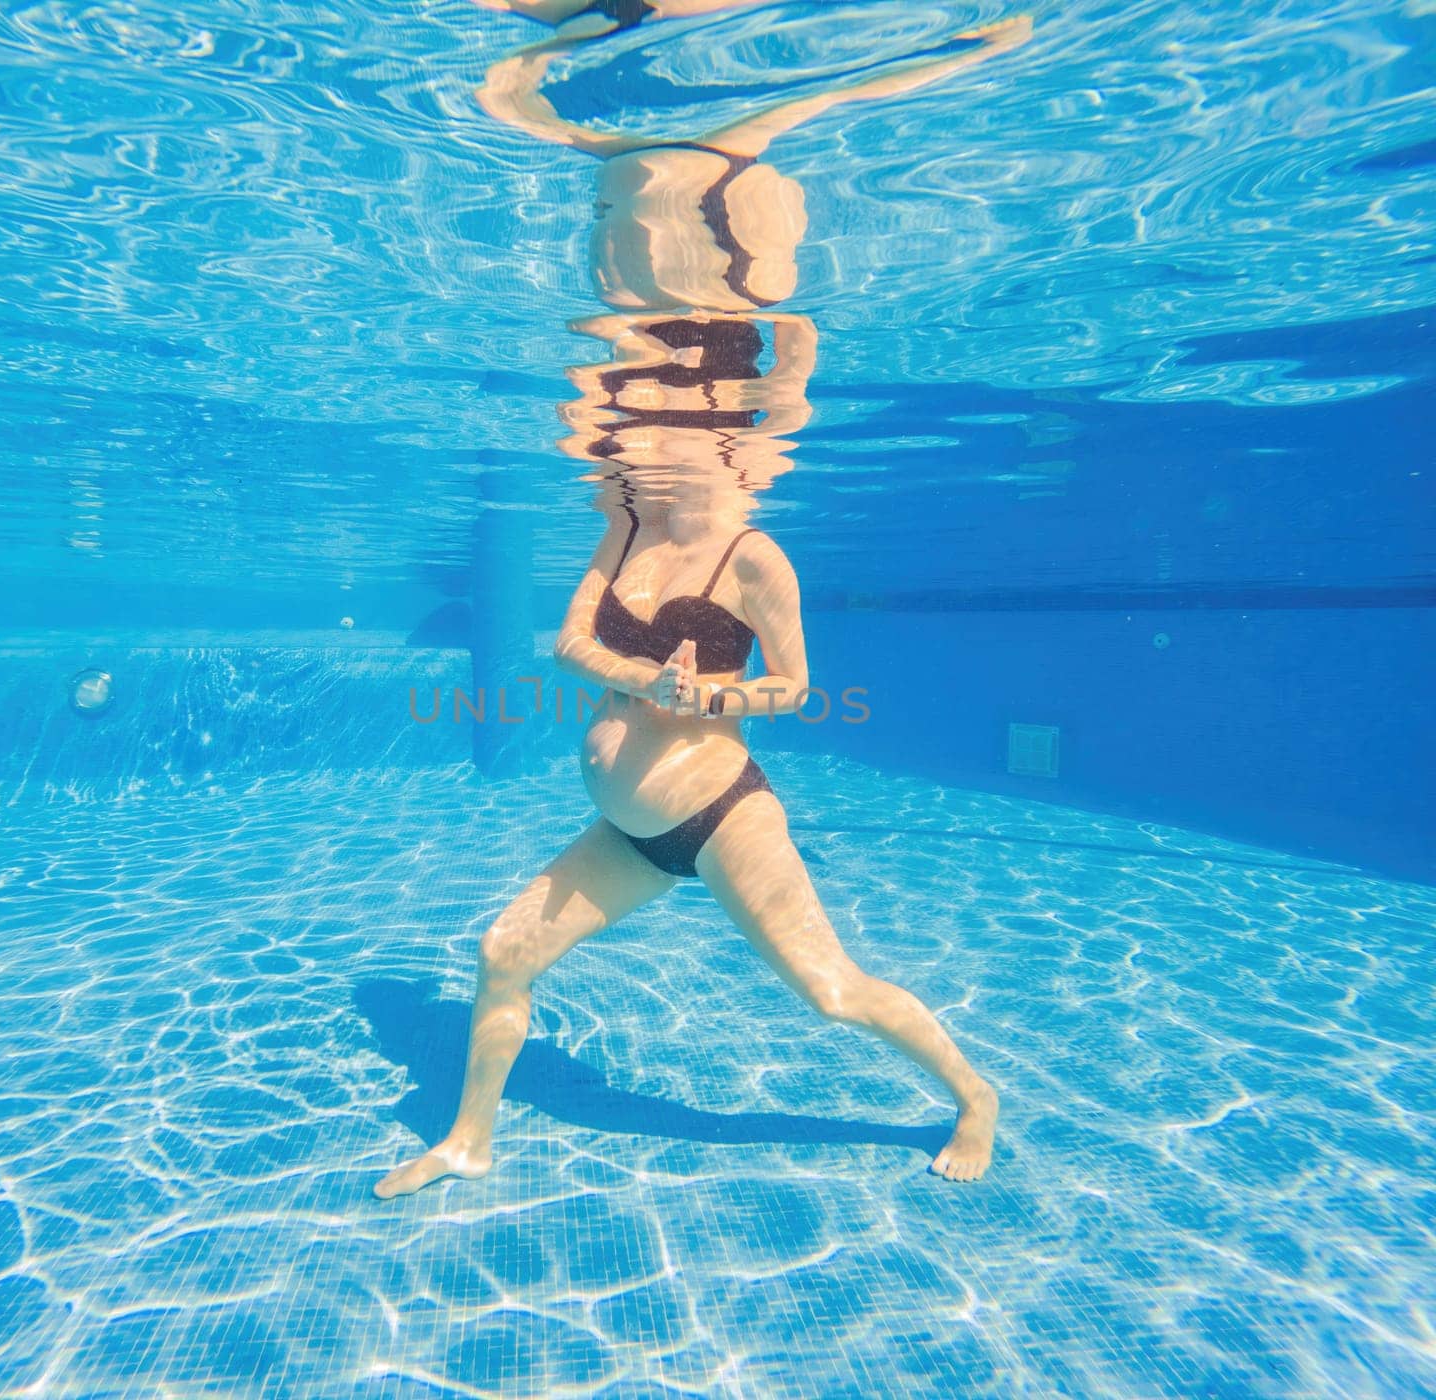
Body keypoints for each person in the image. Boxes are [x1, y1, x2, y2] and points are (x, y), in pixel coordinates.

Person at [373, 7, 1033, 1199]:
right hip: (624, 828)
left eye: (696, 444)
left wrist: (713, 691)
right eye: (651, 442)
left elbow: (796, 686)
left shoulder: (755, 556)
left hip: (720, 812)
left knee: (829, 990)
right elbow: (571, 640)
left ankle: (974, 1095)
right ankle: (470, 1137)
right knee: (498, 952)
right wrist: (640, 679)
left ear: (731, 445)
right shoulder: (622, 516)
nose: (668, 459)